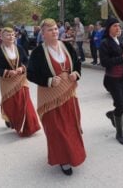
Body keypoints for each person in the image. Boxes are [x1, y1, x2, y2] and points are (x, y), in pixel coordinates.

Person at [27, 18, 86, 176]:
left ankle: (74, 154)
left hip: (69, 93)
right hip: (50, 97)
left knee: (71, 126)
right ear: (43, 34)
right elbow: (31, 74)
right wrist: (48, 80)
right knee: (57, 129)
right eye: (49, 30)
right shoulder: (39, 52)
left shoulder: (66, 45)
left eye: (55, 29)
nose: (54, 32)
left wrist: (76, 73)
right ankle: (63, 159)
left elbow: (77, 62)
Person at [0, 27, 40, 137]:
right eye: (8, 35)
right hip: (6, 81)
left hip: (21, 79)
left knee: (25, 101)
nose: (11, 36)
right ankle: (9, 118)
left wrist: (22, 68)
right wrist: (6, 72)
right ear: (2, 37)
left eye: (12, 34)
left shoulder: (20, 48)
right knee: (11, 103)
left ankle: (29, 126)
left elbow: (26, 61)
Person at [99, 17, 123, 146]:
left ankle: (113, 115)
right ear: (109, 28)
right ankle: (119, 133)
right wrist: (121, 58)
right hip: (112, 79)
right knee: (120, 104)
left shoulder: (121, 40)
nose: (118, 28)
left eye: (119, 26)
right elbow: (104, 62)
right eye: (115, 25)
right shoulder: (105, 43)